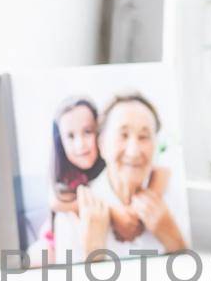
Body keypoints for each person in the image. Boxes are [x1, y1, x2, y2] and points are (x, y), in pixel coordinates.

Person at [71, 93, 185, 259]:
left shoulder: (177, 197)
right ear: (102, 144)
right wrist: (93, 253)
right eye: (123, 135)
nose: (133, 151)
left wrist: (175, 241)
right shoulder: (74, 217)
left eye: (144, 137)